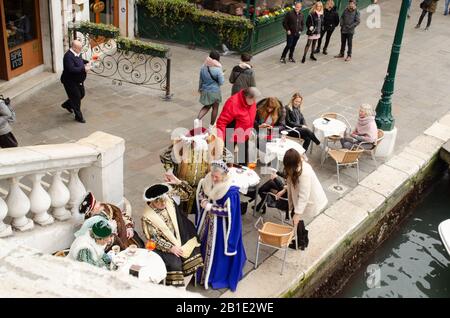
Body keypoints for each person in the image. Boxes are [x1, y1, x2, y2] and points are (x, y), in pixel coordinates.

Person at [196, 160, 246, 291]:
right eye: (212, 175)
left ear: (224, 176)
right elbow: (201, 193)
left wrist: (210, 207)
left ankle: (214, 275)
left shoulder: (231, 191)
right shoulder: (208, 180)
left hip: (220, 228)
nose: (213, 178)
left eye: (216, 177)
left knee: (216, 252)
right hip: (206, 222)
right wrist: (204, 200)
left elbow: (228, 212)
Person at [141, 183, 204, 287]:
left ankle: (183, 287)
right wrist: (171, 248)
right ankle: (177, 289)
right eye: (159, 202)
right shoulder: (147, 216)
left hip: (180, 234)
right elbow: (154, 239)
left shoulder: (168, 198)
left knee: (194, 254)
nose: (163, 203)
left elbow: (188, 193)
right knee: (175, 264)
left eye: (164, 200)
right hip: (163, 244)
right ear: (151, 201)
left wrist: (178, 182)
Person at [283, 149, 328, 250]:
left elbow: (304, 195)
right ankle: (302, 240)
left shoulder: (304, 173)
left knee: (296, 217)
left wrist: (297, 213)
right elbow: (291, 184)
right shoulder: (296, 168)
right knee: (296, 218)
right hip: (299, 198)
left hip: (309, 199)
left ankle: (301, 241)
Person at [78, 192, 144, 251]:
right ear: (90, 212)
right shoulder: (92, 224)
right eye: (94, 207)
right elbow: (98, 244)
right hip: (114, 248)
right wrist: (111, 237)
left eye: (96, 202)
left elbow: (122, 215)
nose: (98, 205)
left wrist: (129, 227)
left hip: (126, 237)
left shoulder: (107, 207)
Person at [216, 87, 260, 165]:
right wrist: (220, 140)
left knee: (243, 160)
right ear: (247, 97)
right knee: (227, 162)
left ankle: (243, 174)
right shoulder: (232, 103)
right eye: (253, 99)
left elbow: (251, 117)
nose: (254, 102)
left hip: (244, 134)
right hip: (231, 134)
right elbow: (221, 122)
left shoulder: (251, 102)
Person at [61, 40, 91, 123]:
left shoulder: (77, 53)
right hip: (69, 81)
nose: (81, 50)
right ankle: (78, 116)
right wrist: (84, 68)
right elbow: (71, 69)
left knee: (82, 94)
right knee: (76, 98)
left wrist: (87, 62)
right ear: (74, 48)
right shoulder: (68, 57)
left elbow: (80, 60)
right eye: (79, 48)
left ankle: (67, 104)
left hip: (78, 80)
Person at [197, 50, 224, 127]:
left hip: (205, 90)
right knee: (215, 108)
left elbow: (201, 79)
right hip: (215, 91)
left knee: (207, 106)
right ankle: (211, 126)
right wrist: (222, 74)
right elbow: (221, 82)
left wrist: (200, 89)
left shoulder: (203, 67)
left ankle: (197, 119)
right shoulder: (218, 69)